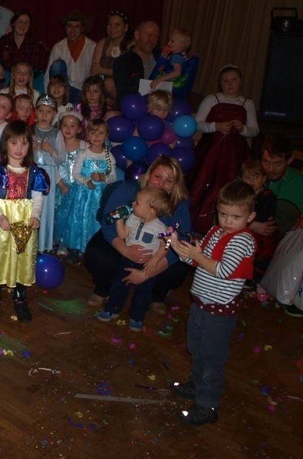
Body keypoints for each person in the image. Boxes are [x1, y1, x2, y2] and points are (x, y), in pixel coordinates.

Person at [169, 181, 257, 426]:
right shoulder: (215, 232)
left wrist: (197, 255)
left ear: (250, 217)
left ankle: (208, 405)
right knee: (196, 349)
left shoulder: (243, 240)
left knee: (212, 358)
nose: (227, 221)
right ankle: (197, 385)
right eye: (223, 214)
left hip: (219, 312)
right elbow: (197, 262)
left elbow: (223, 270)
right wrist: (180, 249)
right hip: (201, 303)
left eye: (236, 217)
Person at [83, 156, 193, 313]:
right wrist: (125, 250)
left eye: (168, 181)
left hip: (155, 256)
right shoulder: (129, 189)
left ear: (175, 186)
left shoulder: (178, 207)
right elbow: (109, 223)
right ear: (148, 175)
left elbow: (178, 242)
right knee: (98, 253)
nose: (161, 184)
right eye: (157, 177)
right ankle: (103, 288)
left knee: (178, 269)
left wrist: (147, 272)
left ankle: (156, 296)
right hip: (126, 243)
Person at [0, 121, 50, 323]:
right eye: (14, 143)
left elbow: (38, 199)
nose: (19, 148)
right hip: (0, 224)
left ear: (30, 146)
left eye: (24, 143)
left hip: (24, 224)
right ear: (5, 144)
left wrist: (35, 216)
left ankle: (20, 298)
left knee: (22, 259)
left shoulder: (34, 173)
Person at [190, 65, 258, 233]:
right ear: (220, 83)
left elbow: (254, 130)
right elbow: (197, 123)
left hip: (236, 153)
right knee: (202, 183)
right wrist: (216, 126)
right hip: (211, 150)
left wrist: (242, 128)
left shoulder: (247, 103)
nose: (230, 84)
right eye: (225, 81)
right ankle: (199, 224)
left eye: (233, 80)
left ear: (240, 81)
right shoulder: (212, 99)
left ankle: (232, 224)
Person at [97, 186, 171, 332]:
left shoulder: (160, 228)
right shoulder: (132, 218)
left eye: (137, 202)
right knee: (119, 285)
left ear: (150, 211)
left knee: (143, 292)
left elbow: (167, 245)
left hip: (147, 265)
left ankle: (137, 316)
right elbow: (123, 235)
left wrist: (155, 260)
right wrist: (119, 220)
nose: (132, 204)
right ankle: (112, 308)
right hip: (128, 260)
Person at [58, 119, 117, 254]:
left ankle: (93, 246)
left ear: (106, 136)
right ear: (88, 135)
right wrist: (86, 181)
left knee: (95, 219)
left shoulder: (108, 156)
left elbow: (113, 177)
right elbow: (75, 173)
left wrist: (103, 178)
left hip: (100, 195)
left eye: (100, 133)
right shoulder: (83, 153)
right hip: (83, 194)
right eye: (93, 133)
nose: (96, 136)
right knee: (80, 217)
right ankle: (78, 245)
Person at [44, 9, 96, 105]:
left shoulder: (92, 47)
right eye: (69, 26)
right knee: (58, 64)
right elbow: (48, 75)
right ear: (65, 28)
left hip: (81, 92)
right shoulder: (58, 47)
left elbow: (94, 76)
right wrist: (46, 98)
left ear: (82, 28)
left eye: (77, 27)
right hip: (60, 91)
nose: (72, 30)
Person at [53, 108, 86, 258]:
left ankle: (70, 243)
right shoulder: (57, 145)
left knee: (73, 216)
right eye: (65, 125)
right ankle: (58, 241)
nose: (68, 128)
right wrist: (61, 184)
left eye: (73, 126)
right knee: (59, 214)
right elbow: (53, 166)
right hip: (60, 186)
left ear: (79, 129)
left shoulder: (84, 146)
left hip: (76, 187)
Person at [239, 160, 278, 279]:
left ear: (263, 178)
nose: (251, 181)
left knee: (260, 258)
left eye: (255, 177)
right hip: (245, 230)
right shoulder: (240, 194)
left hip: (262, 237)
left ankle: (255, 279)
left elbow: (263, 217)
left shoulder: (267, 196)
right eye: (247, 177)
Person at [260, 133, 303, 234]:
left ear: (289, 160)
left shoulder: (299, 184)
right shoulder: (251, 175)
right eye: (266, 162)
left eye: (277, 164)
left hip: (287, 238)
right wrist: (252, 225)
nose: (270, 169)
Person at [0, 11, 48, 94]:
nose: (23, 25)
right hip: (10, 71)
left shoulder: (35, 42)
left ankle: (39, 99)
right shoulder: (4, 40)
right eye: (20, 21)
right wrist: (16, 72)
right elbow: (4, 61)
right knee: (1, 72)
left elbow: (34, 64)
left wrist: (23, 73)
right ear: (13, 23)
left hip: (30, 72)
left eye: (26, 22)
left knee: (39, 76)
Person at [33, 95, 59, 253]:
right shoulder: (29, 130)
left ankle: (44, 243)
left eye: (48, 112)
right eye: (41, 111)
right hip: (32, 172)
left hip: (49, 173)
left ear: (54, 114)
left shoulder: (57, 133)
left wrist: (51, 150)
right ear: (36, 112)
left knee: (46, 207)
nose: (44, 115)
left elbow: (61, 158)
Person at [112, 20, 160, 102]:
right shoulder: (123, 62)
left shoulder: (163, 58)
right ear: (137, 35)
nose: (152, 40)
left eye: (156, 37)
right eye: (149, 35)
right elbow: (124, 95)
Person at [91, 10, 132, 106]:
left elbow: (126, 73)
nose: (112, 28)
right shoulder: (103, 42)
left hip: (123, 86)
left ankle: (120, 106)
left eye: (117, 24)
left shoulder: (131, 45)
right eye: (110, 24)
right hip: (103, 85)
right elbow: (95, 69)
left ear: (125, 27)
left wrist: (102, 70)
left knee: (109, 84)